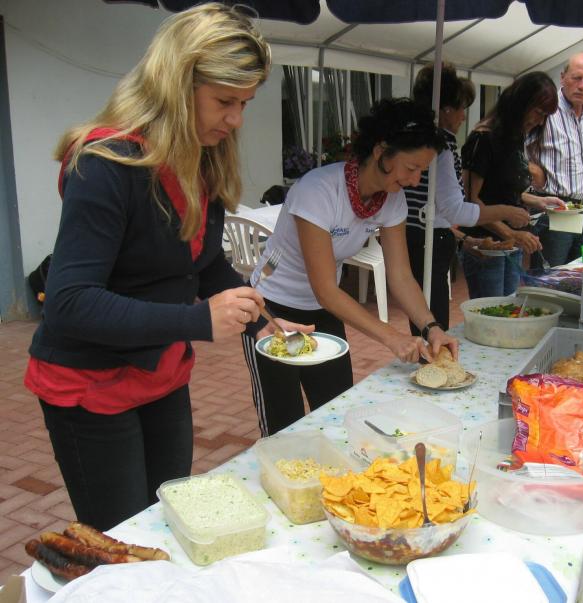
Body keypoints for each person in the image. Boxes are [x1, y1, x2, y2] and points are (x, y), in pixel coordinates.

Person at [23, 4, 279, 531]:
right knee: (124, 542)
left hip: (160, 374)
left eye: (245, 103)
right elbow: (69, 304)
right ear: (176, 85)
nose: (235, 120)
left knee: (170, 521)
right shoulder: (105, 164)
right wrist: (196, 320)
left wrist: (262, 321)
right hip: (89, 387)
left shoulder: (198, 158)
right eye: (224, 101)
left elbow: (202, 263)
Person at [243, 98, 459, 436]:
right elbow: (326, 289)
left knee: (337, 415)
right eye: (411, 167)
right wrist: (391, 336)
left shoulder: (392, 199)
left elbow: (401, 275)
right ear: (381, 150)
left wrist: (430, 327)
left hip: (323, 312)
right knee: (283, 426)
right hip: (272, 308)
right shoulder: (318, 190)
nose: (416, 180)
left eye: (422, 171)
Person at [405, 63, 530, 333]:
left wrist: (465, 240)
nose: (464, 116)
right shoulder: (441, 144)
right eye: (461, 107)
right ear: (445, 109)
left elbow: (431, 211)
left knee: (423, 317)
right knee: (433, 323)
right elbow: (454, 210)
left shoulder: (415, 137)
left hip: (418, 237)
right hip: (428, 243)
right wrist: (506, 211)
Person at [459, 72, 563, 299]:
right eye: (538, 112)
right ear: (520, 104)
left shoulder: (514, 137)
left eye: (545, 116)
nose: (540, 121)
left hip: (510, 244)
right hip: (486, 246)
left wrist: (539, 201)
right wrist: (511, 233)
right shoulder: (483, 138)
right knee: (491, 313)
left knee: (509, 307)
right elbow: (471, 201)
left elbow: (502, 190)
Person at [527, 53, 583, 266]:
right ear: (563, 77)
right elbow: (513, 151)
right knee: (550, 274)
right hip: (554, 208)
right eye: (576, 78)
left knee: (578, 271)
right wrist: (535, 171)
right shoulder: (546, 111)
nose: (582, 86)